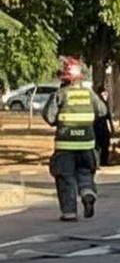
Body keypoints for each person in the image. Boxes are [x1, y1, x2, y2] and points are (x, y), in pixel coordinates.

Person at [42, 57, 107, 221]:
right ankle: (87, 193)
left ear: (64, 77)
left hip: (65, 146)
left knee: (66, 178)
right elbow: (102, 111)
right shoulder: (89, 94)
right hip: (87, 145)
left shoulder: (61, 94)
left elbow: (49, 117)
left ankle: (69, 213)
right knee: (85, 173)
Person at [93, 87, 114, 167]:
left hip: (104, 126)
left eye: (106, 94)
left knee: (105, 144)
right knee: (97, 146)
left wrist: (112, 128)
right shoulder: (96, 103)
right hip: (96, 125)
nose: (105, 96)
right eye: (103, 94)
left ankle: (104, 161)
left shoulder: (106, 103)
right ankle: (97, 162)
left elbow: (109, 117)